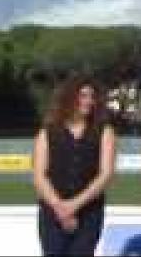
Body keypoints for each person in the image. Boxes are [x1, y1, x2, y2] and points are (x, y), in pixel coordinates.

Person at [33, 76, 117, 256]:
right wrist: (59, 207)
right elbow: (39, 176)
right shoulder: (47, 132)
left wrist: (73, 205)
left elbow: (106, 175)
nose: (88, 101)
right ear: (69, 98)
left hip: (89, 213)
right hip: (52, 212)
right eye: (82, 96)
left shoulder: (104, 132)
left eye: (91, 97)